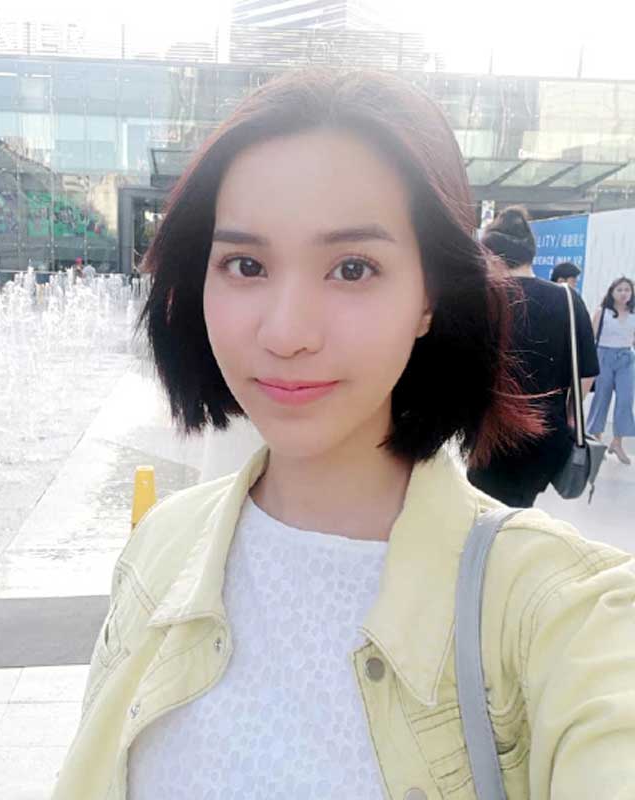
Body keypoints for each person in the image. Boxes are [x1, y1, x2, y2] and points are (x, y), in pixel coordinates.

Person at [52, 71, 635, 800]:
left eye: (352, 268)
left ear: (429, 296)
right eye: (245, 265)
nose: (287, 332)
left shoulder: (564, 617)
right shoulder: (158, 552)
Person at [467, 207, 599, 507]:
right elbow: (587, 373)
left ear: (493, 255)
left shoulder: (485, 300)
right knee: (518, 506)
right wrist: (569, 416)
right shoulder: (568, 299)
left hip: (490, 433)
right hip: (547, 434)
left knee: (487, 510)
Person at [587, 276, 635, 464]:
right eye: (620, 290)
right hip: (604, 356)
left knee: (625, 400)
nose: (624, 293)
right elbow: (590, 337)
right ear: (612, 292)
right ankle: (597, 440)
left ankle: (617, 442)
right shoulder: (602, 312)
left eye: (627, 290)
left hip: (626, 358)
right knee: (601, 398)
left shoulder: (633, 313)